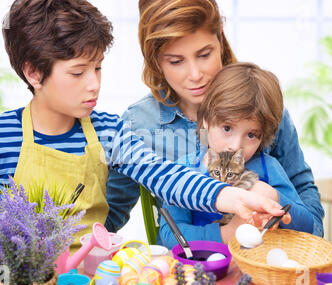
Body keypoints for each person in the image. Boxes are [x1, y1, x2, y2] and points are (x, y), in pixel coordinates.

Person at [0, 0, 285, 251]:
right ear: (33, 73)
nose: (94, 84)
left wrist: (233, 197)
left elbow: (163, 175)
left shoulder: (111, 132)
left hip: (92, 279)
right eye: (77, 72)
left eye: (97, 68)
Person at [105, 0, 324, 239]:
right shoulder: (139, 125)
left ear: (220, 39)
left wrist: (301, 242)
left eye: (204, 54)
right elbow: (109, 217)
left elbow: (304, 204)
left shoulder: (260, 104)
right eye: (176, 61)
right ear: (155, 60)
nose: (195, 75)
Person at [160, 62, 317, 248]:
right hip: (203, 269)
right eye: (227, 128)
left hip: (261, 272)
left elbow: (308, 227)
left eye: (251, 135)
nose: (235, 146)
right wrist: (226, 234)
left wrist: (274, 197)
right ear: (206, 121)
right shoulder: (184, 171)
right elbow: (169, 236)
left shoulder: (269, 168)